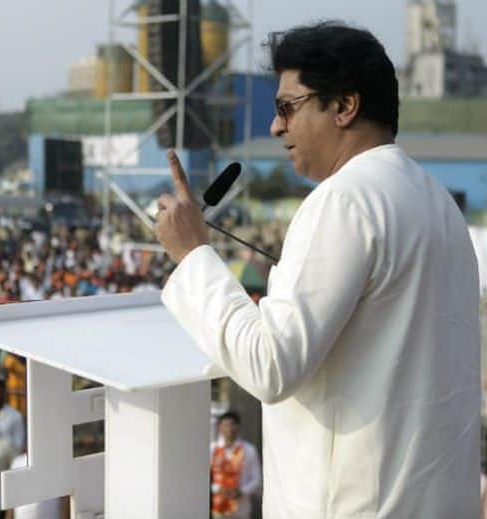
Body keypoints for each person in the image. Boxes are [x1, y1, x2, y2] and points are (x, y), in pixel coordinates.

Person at [153, 21, 480, 518]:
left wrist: (193, 254)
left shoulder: (344, 200)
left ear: (344, 106)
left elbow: (269, 365)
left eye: (287, 107)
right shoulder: (438, 203)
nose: (275, 126)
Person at [209, 411, 261, 519]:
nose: (229, 429)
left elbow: (257, 479)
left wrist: (241, 491)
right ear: (220, 427)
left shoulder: (249, 450)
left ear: (238, 427)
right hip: (218, 507)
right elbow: (206, 477)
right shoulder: (212, 450)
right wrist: (217, 488)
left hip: (241, 509)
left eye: (233, 425)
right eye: (226, 425)